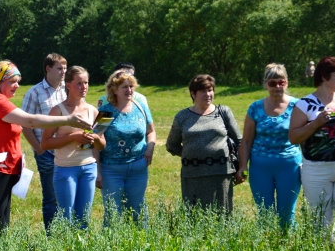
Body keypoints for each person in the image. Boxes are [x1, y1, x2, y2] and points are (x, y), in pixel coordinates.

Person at [0, 61, 91, 235]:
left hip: (1, 170)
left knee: (0, 225)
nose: (17, 85)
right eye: (12, 81)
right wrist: (67, 120)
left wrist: (19, 155)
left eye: (18, 80)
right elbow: (30, 121)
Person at [289, 56, 335, 231]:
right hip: (316, 169)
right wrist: (315, 124)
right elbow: (294, 137)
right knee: (321, 224)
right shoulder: (304, 104)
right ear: (323, 76)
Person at [236, 64, 302, 228]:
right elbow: (246, 141)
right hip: (260, 167)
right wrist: (243, 166)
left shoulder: (298, 106)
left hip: (289, 166)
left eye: (281, 82)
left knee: (287, 213)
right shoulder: (255, 108)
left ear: (286, 83)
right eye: (272, 83)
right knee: (264, 213)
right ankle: (266, 247)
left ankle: (288, 247)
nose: (277, 87)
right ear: (265, 84)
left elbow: (306, 137)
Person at [166, 74, 241, 213]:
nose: (208, 94)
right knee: (194, 216)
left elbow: (239, 141)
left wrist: (242, 169)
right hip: (193, 175)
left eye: (210, 90)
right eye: (203, 91)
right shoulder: (182, 117)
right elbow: (171, 146)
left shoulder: (223, 112)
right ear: (193, 94)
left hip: (221, 174)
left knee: (223, 215)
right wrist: (192, 154)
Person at [41, 66, 102, 228]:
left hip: (89, 168)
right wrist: (73, 137)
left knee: (83, 219)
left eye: (86, 83)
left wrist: (94, 137)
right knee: (66, 218)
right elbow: (45, 143)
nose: (84, 87)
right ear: (68, 85)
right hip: (66, 168)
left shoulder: (93, 111)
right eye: (79, 83)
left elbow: (102, 144)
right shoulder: (58, 111)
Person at [95, 69, 155, 224]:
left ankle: (142, 244)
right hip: (111, 170)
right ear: (114, 90)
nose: (129, 90)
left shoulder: (140, 107)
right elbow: (94, 143)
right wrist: (98, 172)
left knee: (138, 211)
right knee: (113, 213)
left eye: (131, 86)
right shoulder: (105, 112)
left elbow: (151, 131)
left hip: (138, 168)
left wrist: (150, 148)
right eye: (124, 87)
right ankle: (112, 245)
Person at [21, 53, 68, 231]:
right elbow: (25, 125)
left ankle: (67, 232)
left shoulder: (67, 90)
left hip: (67, 152)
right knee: (51, 197)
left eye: (65, 68)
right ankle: (52, 235)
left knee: (67, 195)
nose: (63, 72)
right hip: (47, 153)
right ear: (48, 69)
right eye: (59, 68)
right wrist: (40, 150)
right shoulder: (34, 93)